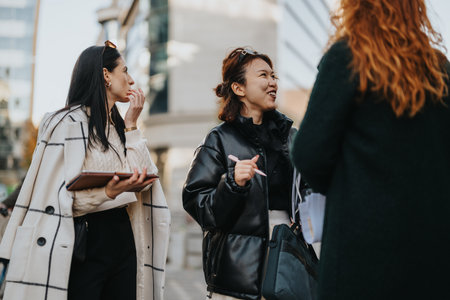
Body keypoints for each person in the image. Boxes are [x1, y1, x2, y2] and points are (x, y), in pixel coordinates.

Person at [290, 1, 450, 299]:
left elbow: (309, 153)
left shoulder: (349, 57)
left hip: (361, 252)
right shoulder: (439, 68)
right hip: (431, 251)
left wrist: (351, 190)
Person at [0, 41, 170, 300]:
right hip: (82, 240)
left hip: (124, 238)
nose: (131, 80)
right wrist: (108, 192)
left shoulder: (120, 127)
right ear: (106, 75)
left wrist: (132, 125)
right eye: (124, 71)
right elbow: (57, 202)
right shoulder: (65, 123)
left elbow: (145, 180)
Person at [183, 47, 295, 300]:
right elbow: (198, 205)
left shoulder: (290, 138)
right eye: (263, 75)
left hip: (288, 267)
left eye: (273, 75)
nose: (272, 82)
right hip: (238, 276)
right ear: (239, 88)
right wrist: (232, 183)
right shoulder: (219, 139)